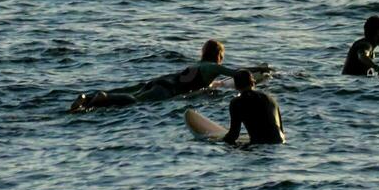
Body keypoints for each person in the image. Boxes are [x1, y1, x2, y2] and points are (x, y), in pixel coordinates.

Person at [70, 40, 270, 111]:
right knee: (133, 102)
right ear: (218, 56)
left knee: (136, 96)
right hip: (166, 90)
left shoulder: (198, 65)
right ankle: (103, 98)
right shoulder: (213, 67)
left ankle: (88, 100)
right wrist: (259, 71)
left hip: (159, 82)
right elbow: (237, 74)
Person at [222, 70, 285, 145]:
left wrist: (219, 142)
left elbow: (234, 134)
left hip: (259, 144)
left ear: (236, 86)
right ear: (253, 82)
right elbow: (281, 129)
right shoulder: (270, 99)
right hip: (279, 141)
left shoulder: (237, 102)